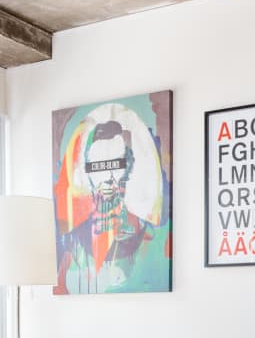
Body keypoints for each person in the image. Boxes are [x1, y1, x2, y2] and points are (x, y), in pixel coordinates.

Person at [54, 102, 170, 294]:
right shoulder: (76, 232)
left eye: (116, 167)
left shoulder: (144, 217)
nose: (108, 179)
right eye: (97, 169)